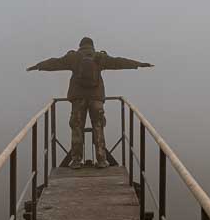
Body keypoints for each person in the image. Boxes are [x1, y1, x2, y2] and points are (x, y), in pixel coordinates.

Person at [27, 37, 153, 169]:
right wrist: (139, 64)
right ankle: (101, 160)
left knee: (77, 128)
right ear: (92, 46)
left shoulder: (74, 57)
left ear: (80, 46)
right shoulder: (99, 57)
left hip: (78, 98)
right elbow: (119, 62)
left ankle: (76, 160)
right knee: (98, 127)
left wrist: (38, 66)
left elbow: (55, 63)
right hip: (96, 98)